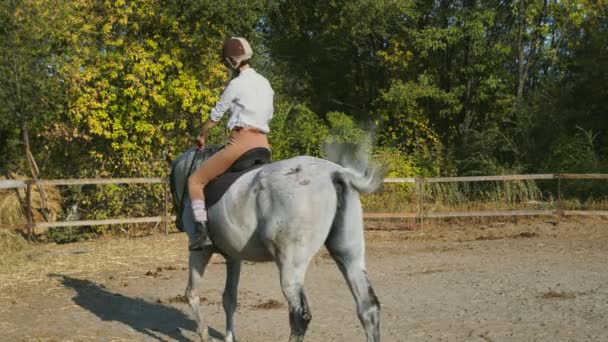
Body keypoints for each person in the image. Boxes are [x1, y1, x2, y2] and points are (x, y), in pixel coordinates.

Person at [187, 37, 274, 249]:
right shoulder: (265, 83)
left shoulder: (236, 84)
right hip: (264, 144)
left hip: (241, 143)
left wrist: (202, 135)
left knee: (195, 181)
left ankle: (201, 233)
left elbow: (217, 114)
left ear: (231, 62)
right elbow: (269, 114)